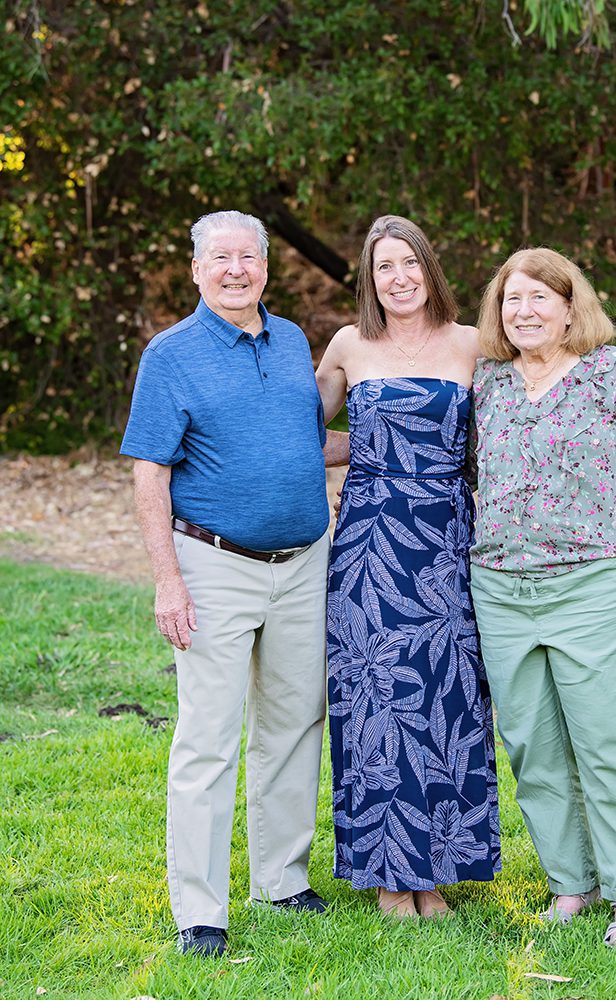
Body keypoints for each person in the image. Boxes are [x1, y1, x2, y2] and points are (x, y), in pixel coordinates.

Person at [120, 210, 347, 957]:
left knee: (294, 724)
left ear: (267, 268)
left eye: (248, 257)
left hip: (303, 564)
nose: (235, 270)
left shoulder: (291, 342)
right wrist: (168, 581)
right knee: (208, 739)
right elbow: (150, 474)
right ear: (196, 270)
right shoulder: (171, 355)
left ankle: (281, 880)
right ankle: (200, 911)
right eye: (220, 258)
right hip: (214, 565)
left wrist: (400, 438)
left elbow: (305, 443)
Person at [469, 247, 616, 947]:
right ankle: (572, 883)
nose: (524, 311)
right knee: (532, 748)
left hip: (595, 587)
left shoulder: (614, 375)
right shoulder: (489, 383)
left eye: (540, 297)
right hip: (501, 589)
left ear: (571, 308)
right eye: (512, 299)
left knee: (609, 746)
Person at [315, 215, 500, 919]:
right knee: (377, 700)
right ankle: (391, 877)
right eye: (383, 267)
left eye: (409, 263)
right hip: (371, 544)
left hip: (448, 538)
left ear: (429, 268)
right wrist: (369, 450)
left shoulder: (472, 343)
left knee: (447, 700)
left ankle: (436, 869)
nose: (399, 278)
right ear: (369, 280)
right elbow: (300, 435)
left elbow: (503, 437)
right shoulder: (348, 345)